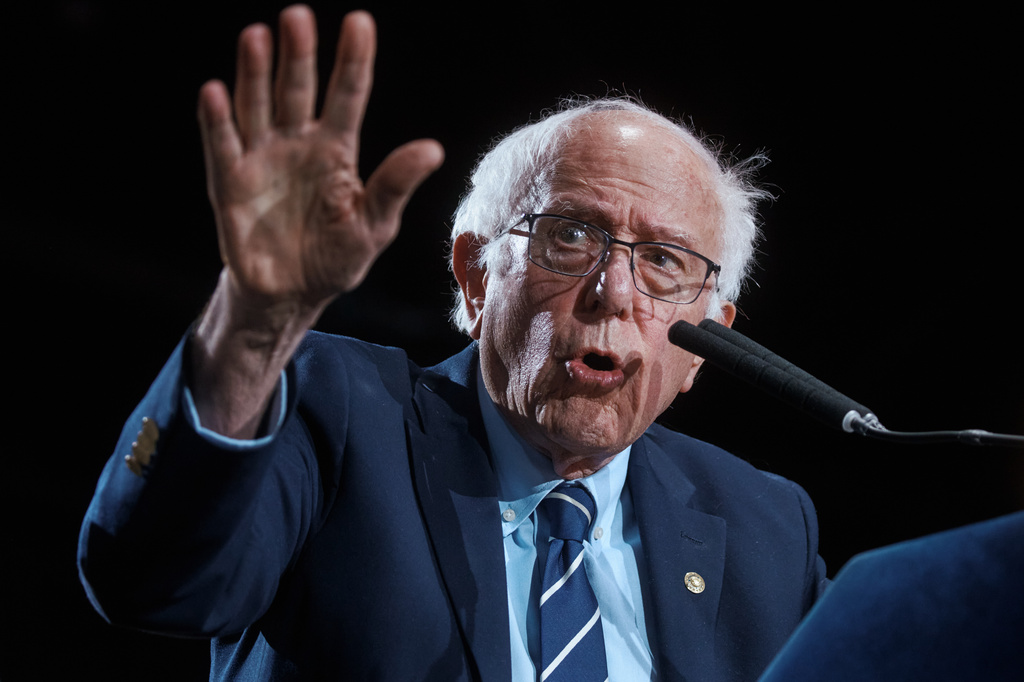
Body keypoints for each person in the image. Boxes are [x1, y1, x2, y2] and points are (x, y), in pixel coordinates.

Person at [78, 6, 828, 681]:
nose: (615, 290)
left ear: (706, 346)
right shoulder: (334, 412)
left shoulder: (768, 526)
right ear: (474, 277)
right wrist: (254, 316)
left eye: (664, 260)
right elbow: (155, 584)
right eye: (570, 235)